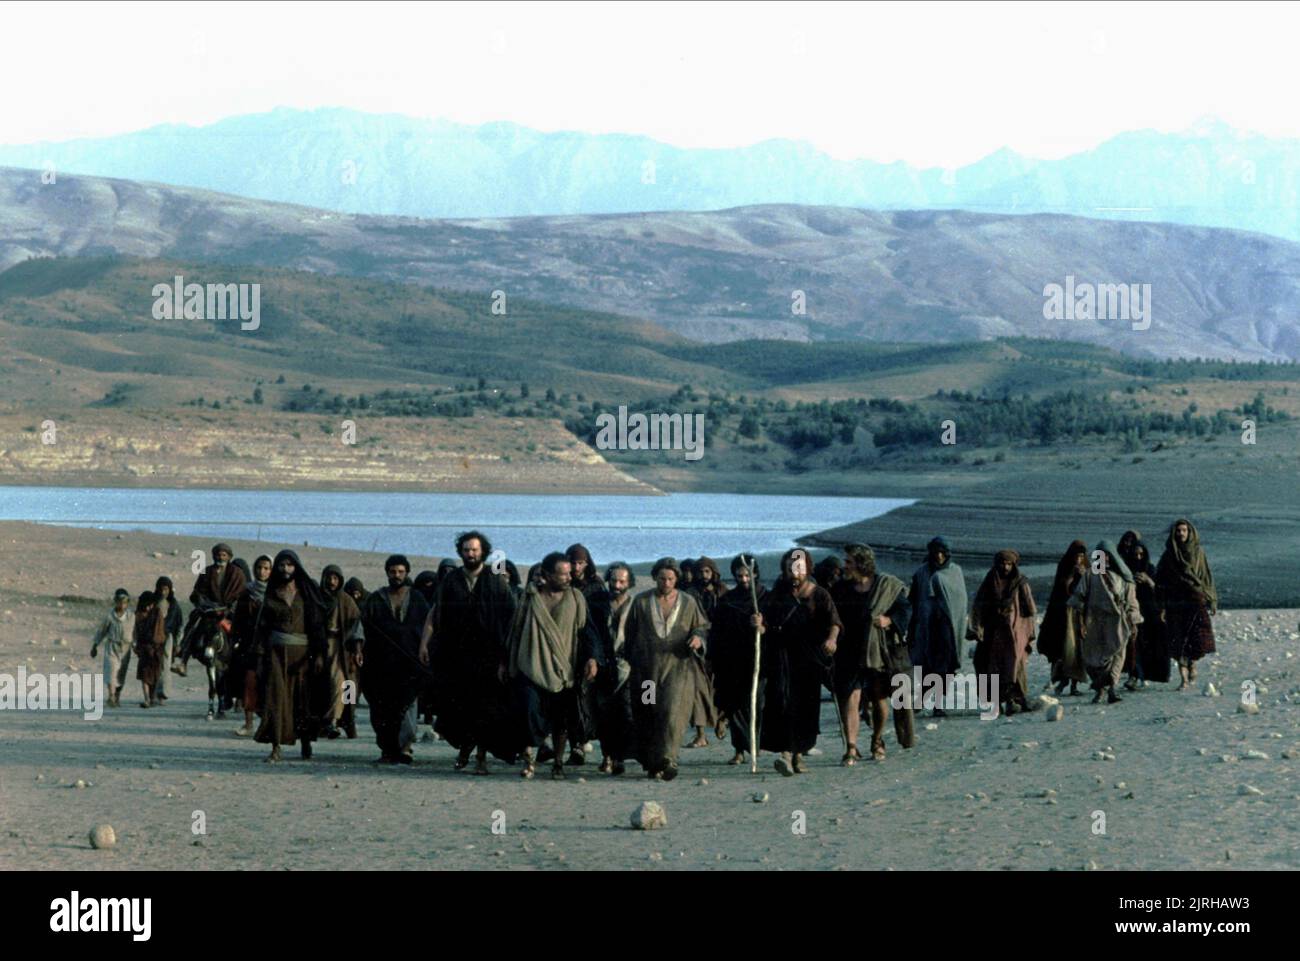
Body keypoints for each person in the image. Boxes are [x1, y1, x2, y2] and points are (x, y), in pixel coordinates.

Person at [420, 532, 518, 774]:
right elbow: (435, 613)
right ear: (460, 552)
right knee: (459, 708)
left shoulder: (495, 580)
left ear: (482, 551)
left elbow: (511, 617)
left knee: (485, 709)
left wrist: (507, 657)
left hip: (489, 657)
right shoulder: (452, 580)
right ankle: (465, 749)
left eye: (474, 550)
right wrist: (424, 643)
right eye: (466, 550)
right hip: (458, 657)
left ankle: (481, 758)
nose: (470, 554)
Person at [508, 552, 599, 779]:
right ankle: (530, 761)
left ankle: (558, 763)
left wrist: (592, 658)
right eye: (563, 574)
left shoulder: (576, 598)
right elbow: (516, 632)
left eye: (570, 573)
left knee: (562, 719)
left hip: (564, 669)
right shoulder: (530, 598)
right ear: (548, 575)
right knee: (528, 712)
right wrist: (506, 662)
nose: (569, 577)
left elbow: (587, 631)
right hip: (531, 666)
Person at [756, 548, 842, 776]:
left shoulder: (819, 594)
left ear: (807, 569)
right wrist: (759, 625)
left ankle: (799, 755)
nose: (795, 572)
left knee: (805, 705)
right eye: (791, 568)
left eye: (799, 568)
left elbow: (834, 622)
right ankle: (785, 753)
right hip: (781, 654)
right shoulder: (778, 592)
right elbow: (766, 619)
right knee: (782, 702)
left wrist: (832, 640)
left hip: (808, 657)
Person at [624, 557, 711, 780]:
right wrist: (635, 659)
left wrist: (697, 639)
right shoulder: (641, 602)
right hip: (647, 672)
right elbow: (630, 633)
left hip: (678, 669)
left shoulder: (688, 602)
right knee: (648, 713)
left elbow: (701, 627)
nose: (666, 582)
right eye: (662, 578)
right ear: (655, 578)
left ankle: (669, 758)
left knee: (673, 712)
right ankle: (652, 761)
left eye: (670, 578)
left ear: (676, 579)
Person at [830, 544, 913, 763]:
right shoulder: (841, 589)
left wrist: (889, 620)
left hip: (877, 651)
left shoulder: (885, 585)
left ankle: (877, 740)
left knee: (878, 698)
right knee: (851, 697)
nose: (844, 566)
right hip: (849, 651)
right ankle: (851, 746)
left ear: (861, 564)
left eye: (849, 562)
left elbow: (905, 609)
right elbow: (831, 614)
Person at [252, 550, 331, 762]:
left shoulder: (307, 592)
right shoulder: (271, 593)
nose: (286, 569)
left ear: (296, 567)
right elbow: (262, 628)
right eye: (281, 565)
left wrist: (320, 655)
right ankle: (276, 747)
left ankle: (305, 742)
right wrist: (259, 657)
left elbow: (316, 626)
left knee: (302, 699)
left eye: (290, 565)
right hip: (275, 654)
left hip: (303, 655)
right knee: (275, 698)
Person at [361, 554, 431, 764]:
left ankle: (406, 748)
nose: (397, 575)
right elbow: (361, 626)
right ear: (387, 573)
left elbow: (429, 626)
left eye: (401, 572)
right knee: (381, 708)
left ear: (407, 573)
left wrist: (425, 648)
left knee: (408, 706)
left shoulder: (417, 598)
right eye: (393, 572)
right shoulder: (376, 598)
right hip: (381, 662)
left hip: (409, 662)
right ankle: (387, 750)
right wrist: (357, 648)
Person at [710, 554, 770, 766]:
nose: (744, 580)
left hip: (758, 662)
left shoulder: (765, 598)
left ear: (754, 574)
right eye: (739, 576)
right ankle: (739, 750)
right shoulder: (728, 600)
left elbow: (776, 629)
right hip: (732, 662)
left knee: (755, 704)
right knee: (734, 706)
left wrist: (762, 627)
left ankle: (753, 743)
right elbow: (717, 632)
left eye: (747, 575)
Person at [1069, 541, 1142, 704]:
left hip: (1117, 621)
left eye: (1108, 555)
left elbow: (1131, 603)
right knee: (1092, 658)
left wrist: (1134, 623)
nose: (1105, 559)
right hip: (1093, 621)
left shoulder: (1125, 578)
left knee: (1117, 654)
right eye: (1101, 555)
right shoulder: (1090, 576)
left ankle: (1112, 690)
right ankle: (1100, 688)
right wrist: (1079, 623)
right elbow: (1079, 599)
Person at [968, 550, 1038, 716]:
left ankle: (1017, 699)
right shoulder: (990, 581)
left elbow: (1030, 609)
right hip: (994, 633)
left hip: (1014, 633)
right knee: (990, 666)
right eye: (1002, 564)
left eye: (1008, 564)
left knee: (1015, 667)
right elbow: (979, 605)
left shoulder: (1020, 582)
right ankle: (998, 701)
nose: (1005, 567)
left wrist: (1027, 632)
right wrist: (977, 628)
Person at [907, 537, 967, 716]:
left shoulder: (955, 572)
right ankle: (922, 698)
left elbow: (960, 600)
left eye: (942, 553)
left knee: (945, 667)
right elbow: (913, 600)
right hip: (925, 627)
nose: (939, 556)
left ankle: (937, 704)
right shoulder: (921, 573)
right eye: (935, 552)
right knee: (924, 665)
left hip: (947, 628)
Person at [1156, 518, 1217, 691]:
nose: (1181, 533)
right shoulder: (1169, 555)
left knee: (1196, 637)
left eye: (1184, 530)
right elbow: (1160, 579)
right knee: (1178, 639)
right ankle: (1183, 679)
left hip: (1195, 599)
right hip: (1175, 601)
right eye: (1178, 530)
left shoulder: (1198, 553)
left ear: (1190, 533)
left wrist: (1212, 599)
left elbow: (1206, 576)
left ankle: (1192, 664)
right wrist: (1161, 604)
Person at [174, 542, 246, 676]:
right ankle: (183, 659)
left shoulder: (237, 573)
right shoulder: (206, 571)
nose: (221, 557)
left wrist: (231, 607)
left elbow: (241, 594)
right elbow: (197, 592)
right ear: (214, 556)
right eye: (218, 555)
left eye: (224, 555)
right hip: (208, 611)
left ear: (229, 557)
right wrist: (203, 603)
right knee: (194, 625)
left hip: (229, 612)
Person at [594, 562, 636, 774]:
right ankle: (607, 756)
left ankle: (620, 757)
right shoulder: (598, 605)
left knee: (627, 713)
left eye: (622, 581)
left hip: (628, 667)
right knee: (604, 715)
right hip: (603, 667)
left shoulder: (636, 606)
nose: (617, 585)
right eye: (613, 581)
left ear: (629, 583)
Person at [1039, 541, 1089, 696]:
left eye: (1081, 556)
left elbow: (1089, 590)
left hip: (1078, 614)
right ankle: (1062, 681)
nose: (1078, 559)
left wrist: (1082, 576)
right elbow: (1060, 591)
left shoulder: (1087, 568)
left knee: (1077, 650)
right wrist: (1071, 576)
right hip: (1063, 616)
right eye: (1076, 555)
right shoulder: (1064, 567)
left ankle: (1074, 685)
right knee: (1063, 650)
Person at [685, 555, 725, 747]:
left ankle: (720, 721)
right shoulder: (689, 594)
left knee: (720, 687)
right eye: (700, 572)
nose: (704, 575)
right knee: (699, 690)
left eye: (707, 571)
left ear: (713, 572)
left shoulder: (722, 592)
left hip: (721, 645)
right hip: (698, 647)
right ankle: (701, 733)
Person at [320, 563, 364, 739]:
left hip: (344, 647)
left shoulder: (346, 600)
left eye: (335, 578)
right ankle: (329, 722)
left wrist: (358, 650)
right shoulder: (318, 598)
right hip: (323, 646)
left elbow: (357, 626)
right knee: (331, 683)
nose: (332, 582)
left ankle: (340, 720)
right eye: (329, 578)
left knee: (347, 685)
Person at [231, 555, 271, 737]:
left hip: (270, 646)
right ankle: (248, 724)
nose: (261, 572)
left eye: (266, 568)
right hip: (249, 645)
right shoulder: (247, 592)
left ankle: (267, 723)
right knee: (249, 682)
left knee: (268, 685)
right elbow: (238, 619)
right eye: (259, 568)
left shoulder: (275, 592)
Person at [1129, 539, 1170, 685]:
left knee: (1151, 645)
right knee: (1135, 645)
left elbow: (1160, 590)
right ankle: (1134, 676)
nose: (1138, 557)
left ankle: (1148, 675)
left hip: (1151, 611)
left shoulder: (1151, 569)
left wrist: (1148, 581)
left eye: (1141, 554)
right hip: (1133, 611)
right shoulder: (1127, 570)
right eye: (1135, 554)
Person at [90, 589, 135, 709]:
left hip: (125, 648)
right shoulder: (110, 616)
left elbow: (135, 632)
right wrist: (95, 645)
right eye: (119, 602)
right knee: (111, 670)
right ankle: (111, 696)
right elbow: (102, 631)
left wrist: (136, 645)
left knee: (121, 674)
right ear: (115, 602)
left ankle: (117, 696)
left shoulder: (131, 616)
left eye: (124, 602)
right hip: (112, 646)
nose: (122, 605)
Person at [151, 576, 183, 705]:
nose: (163, 592)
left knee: (165, 664)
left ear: (169, 589)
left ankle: (163, 694)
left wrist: (178, 643)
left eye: (166, 589)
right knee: (153, 664)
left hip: (167, 637)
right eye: (161, 589)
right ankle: (151, 694)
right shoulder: (152, 602)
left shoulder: (174, 605)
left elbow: (179, 624)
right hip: (153, 637)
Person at [132, 591, 166, 708]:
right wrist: (137, 646)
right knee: (144, 676)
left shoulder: (157, 613)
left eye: (150, 605)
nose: (148, 607)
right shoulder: (138, 614)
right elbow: (135, 632)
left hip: (156, 649)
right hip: (144, 649)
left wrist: (155, 644)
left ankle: (152, 698)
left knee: (155, 675)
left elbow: (159, 632)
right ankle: (147, 699)